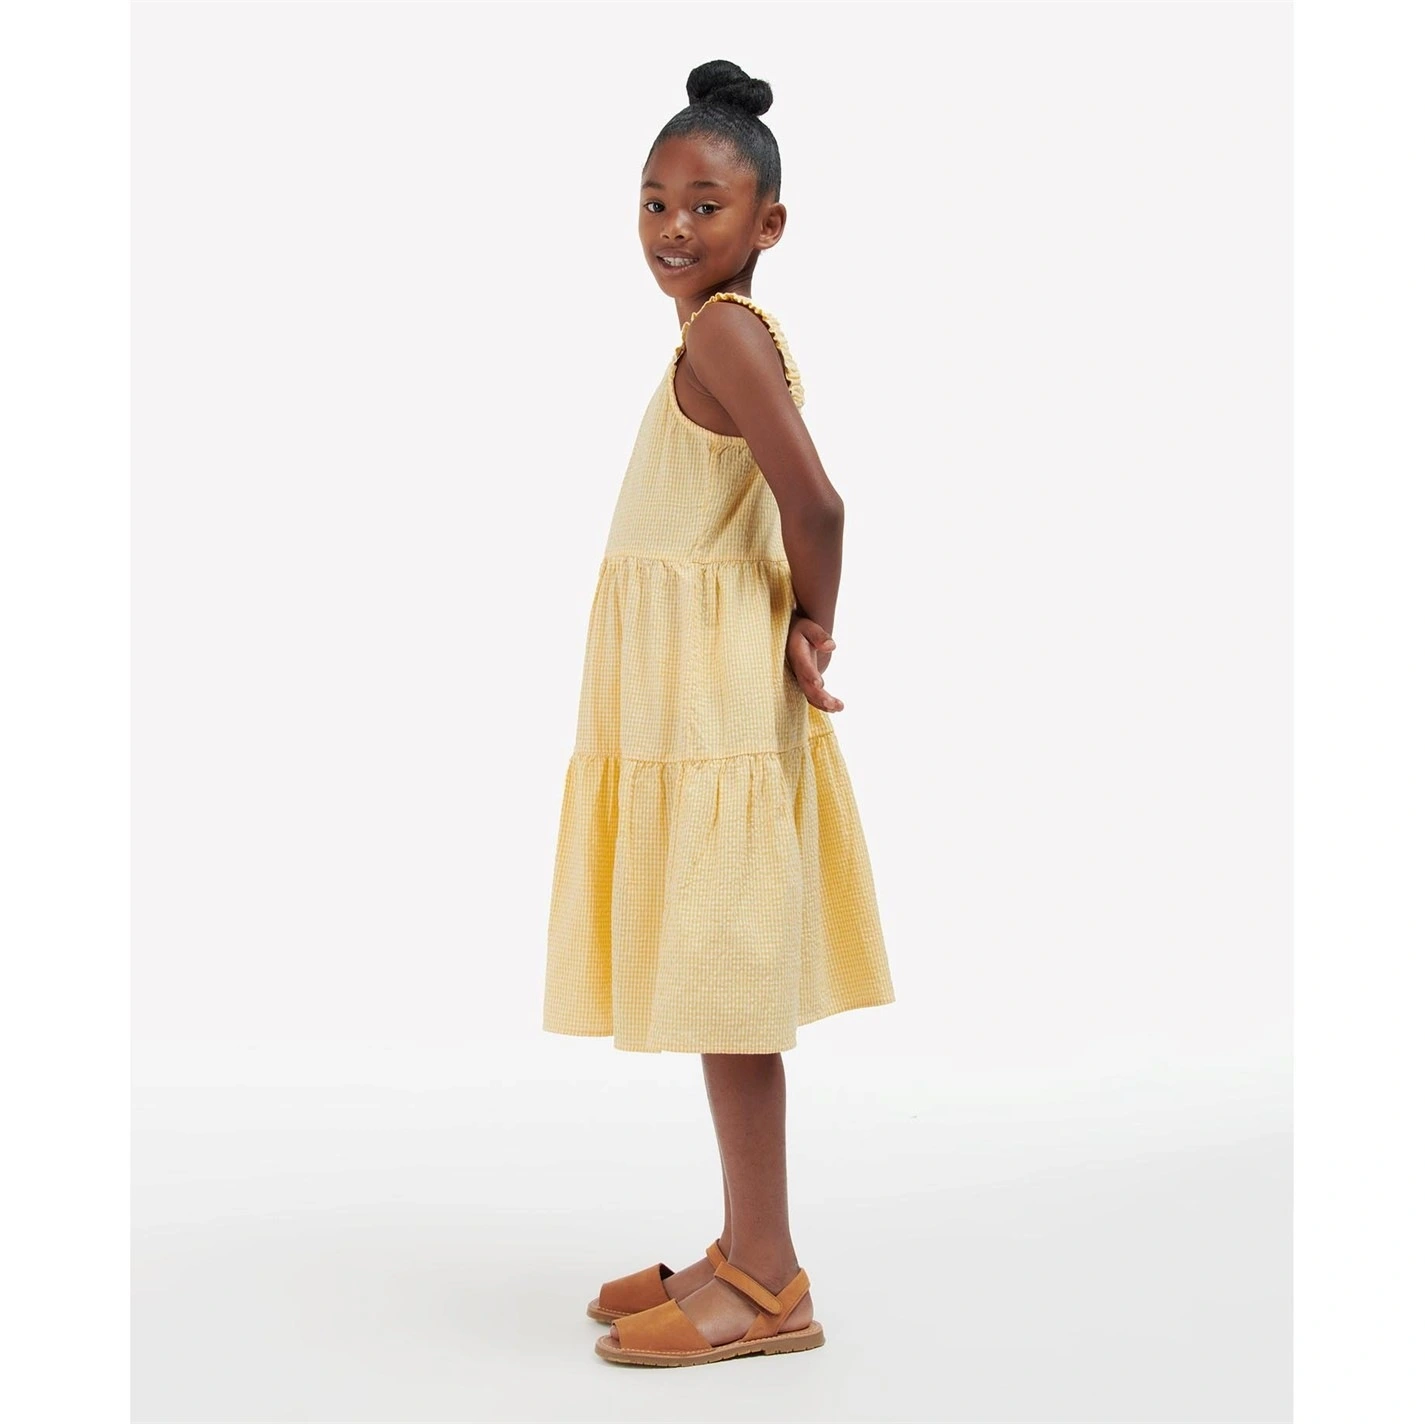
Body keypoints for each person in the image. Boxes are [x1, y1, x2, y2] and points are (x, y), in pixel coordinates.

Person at [542, 58, 895, 1367]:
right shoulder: (713, 335)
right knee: (712, 978)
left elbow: (819, 504)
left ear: (768, 224)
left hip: (715, 713)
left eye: (706, 205)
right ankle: (742, 1243)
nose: (674, 229)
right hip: (689, 706)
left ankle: (767, 1278)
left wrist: (814, 620)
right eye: (654, 202)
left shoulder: (724, 334)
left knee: (732, 994)